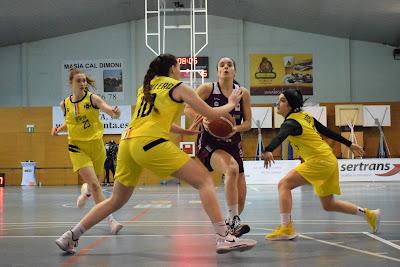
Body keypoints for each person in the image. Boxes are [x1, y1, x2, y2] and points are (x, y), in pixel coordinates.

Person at [55, 54, 257, 254]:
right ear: (172, 69)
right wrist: (231, 103)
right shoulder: (178, 87)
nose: (180, 71)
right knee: (205, 181)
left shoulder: (146, 88)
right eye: (179, 67)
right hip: (150, 143)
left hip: (127, 142)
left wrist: (185, 132)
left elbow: (154, 121)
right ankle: (224, 238)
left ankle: (71, 236)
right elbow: (212, 114)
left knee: (115, 200)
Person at [262, 89, 381, 241]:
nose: (278, 103)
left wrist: (268, 149)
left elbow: (280, 137)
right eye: (278, 100)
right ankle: (370, 215)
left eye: (283, 100)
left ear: (291, 106)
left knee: (283, 185)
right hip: (329, 160)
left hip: (319, 160)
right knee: (329, 204)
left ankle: (286, 228)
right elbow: (328, 132)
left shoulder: (290, 123)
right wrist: (349, 144)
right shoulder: (305, 117)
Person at [184, 57, 252, 237]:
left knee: (242, 197)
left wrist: (234, 128)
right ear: (218, 71)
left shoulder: (242, 93)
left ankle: (231, 223)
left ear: (234, 71)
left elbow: (248, 123)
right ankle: (234, 222)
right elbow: (187, 109)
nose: (226, 67)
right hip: (209, 143)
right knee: (231, 168)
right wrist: (203, 118)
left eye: (230, 64)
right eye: (222, 65)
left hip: (233, 143)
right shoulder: (207, 89)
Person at [51, 68, 123, 235]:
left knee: (93, 184)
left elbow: (109, 111)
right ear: (71, 83)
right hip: (76, 147)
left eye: (84, 80)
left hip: (96, 146)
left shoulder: (93, 99)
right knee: (96, 186)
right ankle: (111, 220)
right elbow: (70, 122)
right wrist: (58, 129)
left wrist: (115, 113)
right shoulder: (65, 104)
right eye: (79, 81)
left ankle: (86, 193)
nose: (83, 83)